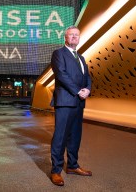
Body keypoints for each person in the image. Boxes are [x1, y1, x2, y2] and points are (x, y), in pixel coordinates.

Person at [50, 25, 92, 186]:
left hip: (79, 102)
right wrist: (77, 91)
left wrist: (87, 89)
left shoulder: (81, 58)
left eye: (77, 35)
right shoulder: (58, 54)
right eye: (71, 35)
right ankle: (56, 171)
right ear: (65, 38)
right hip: (65, 101)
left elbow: (87, 76)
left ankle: (73, 166)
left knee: (75, 136)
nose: (74, 37)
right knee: (60, 137)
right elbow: (61, 74)